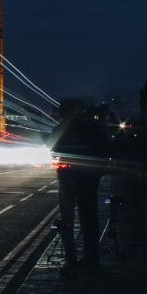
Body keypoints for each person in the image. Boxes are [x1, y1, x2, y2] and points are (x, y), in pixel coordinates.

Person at [50, 110, 110, 274]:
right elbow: (106, 150)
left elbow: (52, 149)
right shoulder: (94, 130)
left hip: (67, 180)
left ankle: (71, 260)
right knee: (90, 220)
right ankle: (92, 259)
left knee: (67, 221)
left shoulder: (61, 130)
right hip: (89, 180)